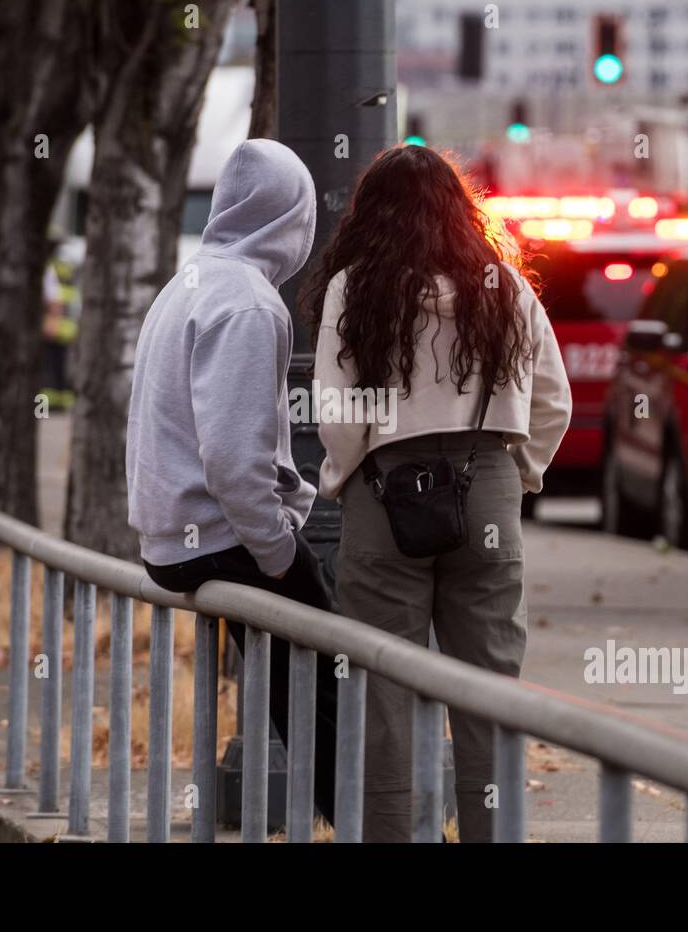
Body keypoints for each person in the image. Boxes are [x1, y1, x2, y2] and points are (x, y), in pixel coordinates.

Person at [302, 145, 572, 842]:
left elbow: (338, 416)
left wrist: (351, 477)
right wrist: (516, 476)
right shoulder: (505, 285)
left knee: (383, 695)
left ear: (370, 213)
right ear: (461, 209)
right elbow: (554, 403)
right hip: (486, 490)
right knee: (489, 692)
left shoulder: (355, 289)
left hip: (386, 494)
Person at [125, 138, 339, 825]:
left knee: (298, 691)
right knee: (333, 683)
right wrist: (279, 552)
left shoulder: (188, 282)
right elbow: (232, 458)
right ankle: (367, 820)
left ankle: (350, 815)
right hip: (222, 542)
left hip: (167, 541)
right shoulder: (250, 304)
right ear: (291, 219)